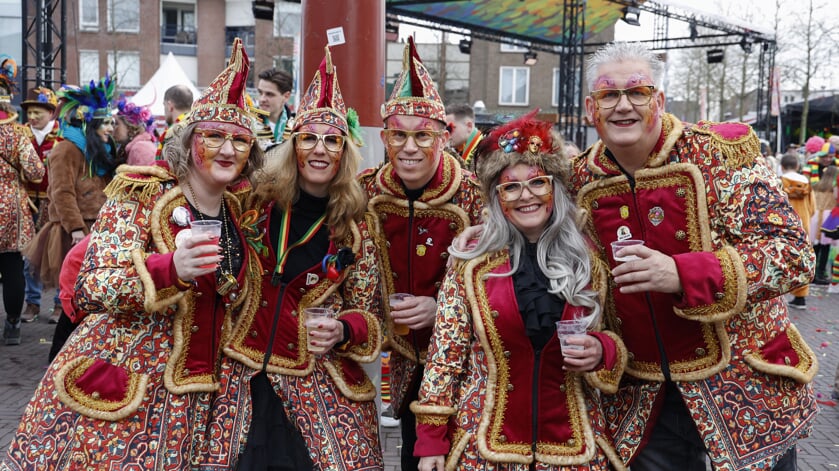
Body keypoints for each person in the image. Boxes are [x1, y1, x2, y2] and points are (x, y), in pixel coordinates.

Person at [2, 37, 265, 469]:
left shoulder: (243, 213)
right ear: (188, 141)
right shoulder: (140, 196)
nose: (228, 149)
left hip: (203, 396)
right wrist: (169, 269)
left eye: (239, 140)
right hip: (127, 390)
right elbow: (94, 285)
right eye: (214, 136)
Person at [571, 41, 817, 471]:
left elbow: (793, 254)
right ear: (592, 108)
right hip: (644, 399)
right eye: (609, 95)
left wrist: (683, 273)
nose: (622, 105)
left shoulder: (721, 153)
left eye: (638, 92)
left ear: (659, 100)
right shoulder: (578, 178)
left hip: (744, 386)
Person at [412, 112, 628, 471]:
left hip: (574, 450)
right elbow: (444, 358)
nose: (526, 196)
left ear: (555, 188)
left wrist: (601, 351)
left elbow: (621, 339)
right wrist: (431, 439)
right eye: (511, 186)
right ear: (497, 199)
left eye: (538, 183)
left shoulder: (591, 257)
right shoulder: (470, 263)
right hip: (485, 449)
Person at [222, 45, 384, 470]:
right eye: (309, 138)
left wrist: (343, 329)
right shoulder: (253, 201)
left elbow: (371, 316)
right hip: (240, 370)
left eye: (333, 141)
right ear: (293, 145)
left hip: (313, 377)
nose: (320, 150)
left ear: (345, 151)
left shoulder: (356, 224)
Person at [358, 36, 484, 471]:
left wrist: (442, 308)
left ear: (444, 138)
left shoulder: (476, 195)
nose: (409, 148)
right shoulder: (365, 190)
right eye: (398, 135)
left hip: (466, 358)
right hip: (396, 355)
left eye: (422, 136)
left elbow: (497, 277)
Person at [0, 56, 46, 345]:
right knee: (12, 266)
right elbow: (35, 171)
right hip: (11, 208)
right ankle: (14, 325)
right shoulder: (17, 135)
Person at [19, 86, 60, 323]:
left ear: (51, 113)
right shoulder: (20, 133)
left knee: (56, 254)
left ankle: (58, 304)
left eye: (38, 112)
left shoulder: (63, 135)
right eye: (30, 112)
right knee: (28, 255)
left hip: (53, 203)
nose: (32, 117)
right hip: (26, 202)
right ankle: (32, 303)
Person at [780, 153, 816, 309]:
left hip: (783, 224)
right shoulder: (806, 182)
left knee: (781, 259)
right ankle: (800, 296)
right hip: (803, 224)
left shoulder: (779, 182)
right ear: (797, 166)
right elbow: (813, 207)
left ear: (782, 166)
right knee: (801, 260)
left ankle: (778, 294)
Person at [803, 140, 839, 284]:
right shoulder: (811, 164)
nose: (828, 159)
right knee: (817, 244)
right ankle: (814, 273)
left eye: (830, 156)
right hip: (817, 210)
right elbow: (806, 185)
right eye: (825, 156)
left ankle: (819, 272)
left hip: (827, 211)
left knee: (824, 244)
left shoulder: (836, 165)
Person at [256, 67, 294, 147]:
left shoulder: (296, 127)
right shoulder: (247, 124)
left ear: (286, 96)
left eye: (269, 94)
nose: (262, 99)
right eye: (260, 93)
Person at [113, 97, 157, 166]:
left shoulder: (140, 149)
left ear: (130, 127)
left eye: (116, 124)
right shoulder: (133, 147)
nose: (112, 129)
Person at [445, 103, 483, 170]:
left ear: (469, 126)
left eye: (449, 129)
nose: (446, 134)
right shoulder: (459, 150)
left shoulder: (485, 152)